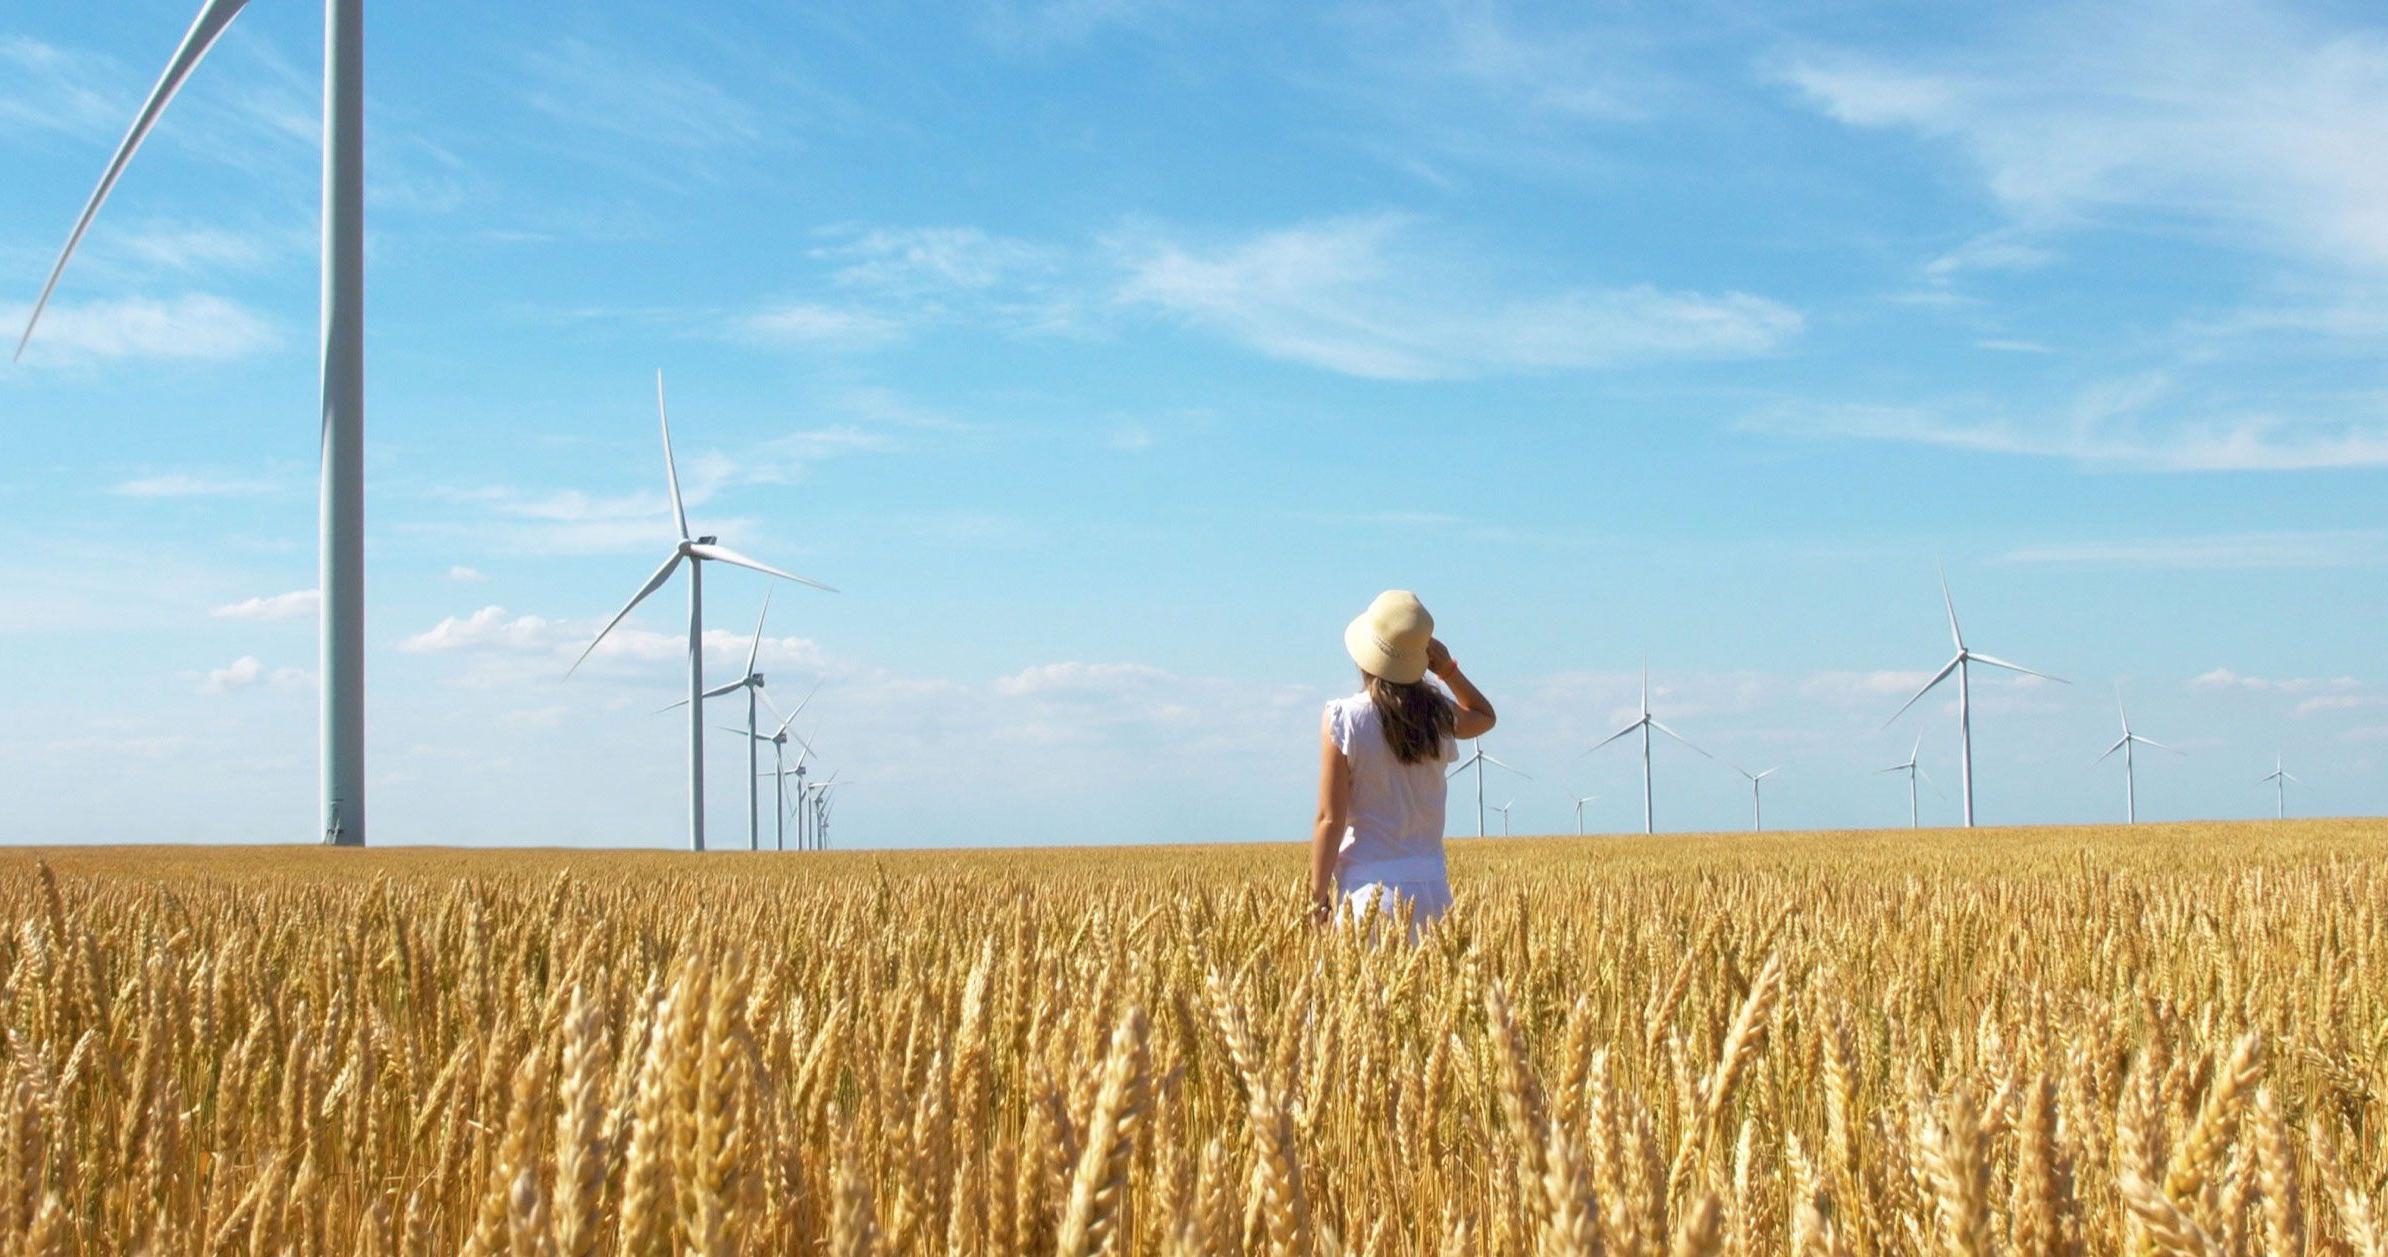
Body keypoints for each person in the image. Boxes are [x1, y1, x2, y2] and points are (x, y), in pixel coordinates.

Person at [1309, 590, 1496, 936]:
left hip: (1369, 896)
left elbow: (1330, 818)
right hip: (1432, 893)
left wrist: (1317, 898)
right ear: (1421, 657)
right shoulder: (1438, 716)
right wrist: (1448, 670)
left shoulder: (1343, 718)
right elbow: (1484, 716)